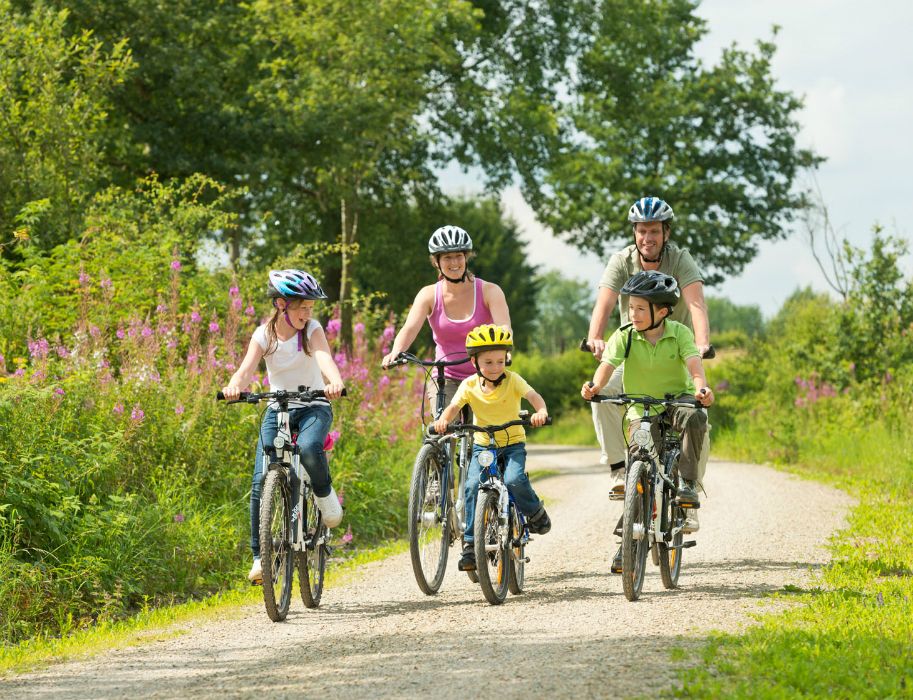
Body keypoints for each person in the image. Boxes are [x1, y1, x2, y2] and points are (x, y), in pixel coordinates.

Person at [581, 271, 714, 573]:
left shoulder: (679, 332)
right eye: (631, 307)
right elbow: (607, 365)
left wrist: (700, 390)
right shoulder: (625, 335)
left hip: (676, 401)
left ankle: (687, 482)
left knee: (696, 418)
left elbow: (694, 366)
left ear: (662, 311)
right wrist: (595, 387)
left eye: (641, 308)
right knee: (640, 466)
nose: (633, 314)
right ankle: (628, 543)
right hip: (641, 408)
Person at [222, 269, 345, 584]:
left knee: (307, 448)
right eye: (301, 306)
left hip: (314, 404)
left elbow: (323, 357)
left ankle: (323, 493)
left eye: (310, 307)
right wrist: (234, 386)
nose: (307, 312)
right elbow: (245, 369)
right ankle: (260, 558)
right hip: (278, 407)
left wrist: (334, 381)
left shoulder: (312, 330)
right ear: (280, 304)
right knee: (262, 478)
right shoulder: (265, 335)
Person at [583, 196, 711, 494]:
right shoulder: (621, 260)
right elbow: (604, 303)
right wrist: (596, 337)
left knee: (699, 420)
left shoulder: (679, 259)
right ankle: (618, 469)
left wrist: (702, 343)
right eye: (641, 231)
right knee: (603, 392)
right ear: (634, 233)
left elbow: (696, 303)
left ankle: (689, 488)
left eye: (654, 231)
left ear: (666, 233)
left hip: (676, 350)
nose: (647, 238)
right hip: (635, 348)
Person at [433, 324, 551, 572]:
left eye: (500, 361)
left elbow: (533, 396)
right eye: (489, 362)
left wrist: (541, 411)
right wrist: (444, 419)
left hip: (512, 443)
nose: (496, 367)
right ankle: (470, 545)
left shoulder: (513, 380)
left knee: (514, 479)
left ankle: (535, 512)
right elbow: (454, 407)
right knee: (472, 484)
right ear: (474, 361)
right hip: (483, 446)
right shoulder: (468, 385)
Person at [381, 225, 511, 412]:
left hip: (486, 374)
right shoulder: (428, 295)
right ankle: (438, 442)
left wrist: (505, 349)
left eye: (459, 255)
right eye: (447, 257)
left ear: (466, 257)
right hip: (446, 377)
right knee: (442, 429)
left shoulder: (490, 291)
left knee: (490, 434)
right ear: (436, 261)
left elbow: (504, 327)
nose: (454, 262)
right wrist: (396, 352)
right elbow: (409, 328)